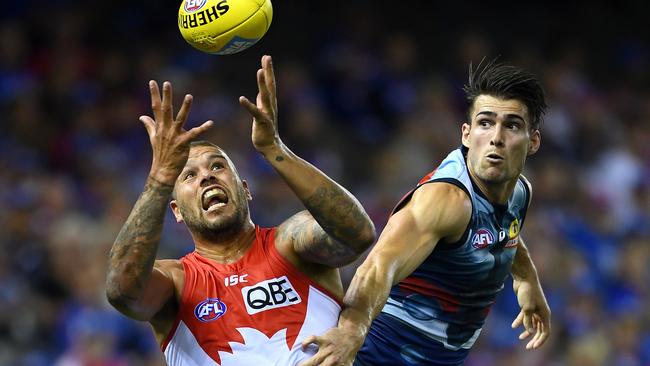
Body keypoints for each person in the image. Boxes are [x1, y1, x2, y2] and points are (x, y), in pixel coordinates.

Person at [105, 55, 376, 366]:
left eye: (218, 166)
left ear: (245, 190)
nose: (207, 176)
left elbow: (358, 233)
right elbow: (121, 290)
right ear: (177, 211)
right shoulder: (176, 281)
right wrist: (160, 179)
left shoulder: (290, 243)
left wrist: (275, 149)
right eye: (189, 175)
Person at [302, 59, 551, 366]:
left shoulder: (519, 192)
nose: (496, 137)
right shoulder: (446, 200)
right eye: (485, 123)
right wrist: (351, 331)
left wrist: (526, 280)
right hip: (377, 356)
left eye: (512, 125)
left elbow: (505, 229)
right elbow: (379, 267)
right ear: (466, 134)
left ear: (534, 141)